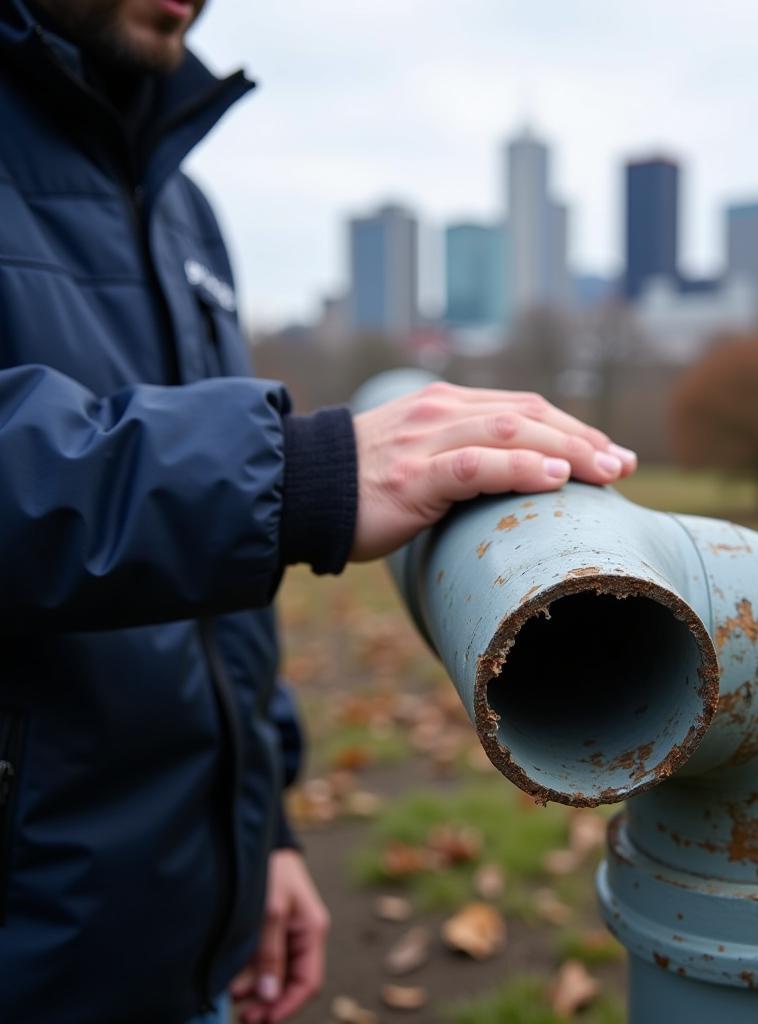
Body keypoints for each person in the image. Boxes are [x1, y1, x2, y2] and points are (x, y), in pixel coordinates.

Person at [0, 1, 638, 1021]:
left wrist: (267, 834)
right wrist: (301, 474)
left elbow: (212, 602)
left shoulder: (183, 206)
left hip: (183, 934)